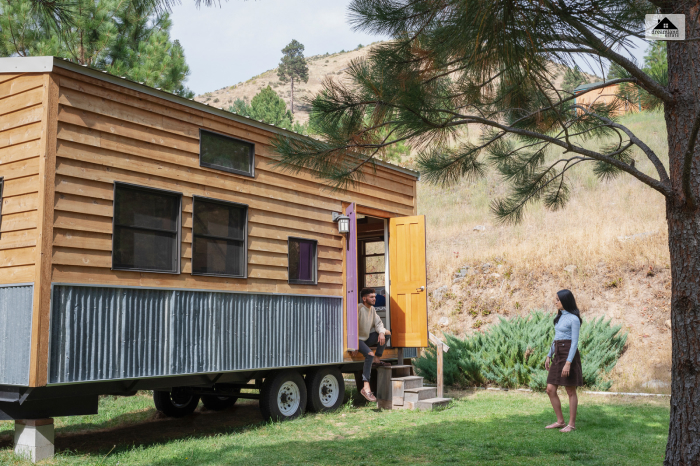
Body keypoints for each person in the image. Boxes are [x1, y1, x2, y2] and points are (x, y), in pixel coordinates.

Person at [544, 289, 584, 433]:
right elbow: (556, 337)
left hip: (569, 353)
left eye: (558, 300)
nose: (555, 302)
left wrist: (568, 362)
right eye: (555, 299)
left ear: (565, 301)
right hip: (558, 353)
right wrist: (549, 355)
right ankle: (560, 421)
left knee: (570, 390)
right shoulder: (559, 317)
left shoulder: (574, 319)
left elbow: (574, 342)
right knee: (550, 389)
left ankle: (571, 424)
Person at [356, 287, 392, 402]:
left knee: (387, 333)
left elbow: (379, 324)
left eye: (375, 297)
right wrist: (352, 345)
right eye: (371, 297)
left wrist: (381, 332)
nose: (374, 299)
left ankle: (377, 358)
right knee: (369, 355)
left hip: (365, 338)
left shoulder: (372, 309)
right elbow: (351, 327)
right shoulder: (358, 308)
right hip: (357, 340)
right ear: (364, 298)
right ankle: (366, 388)